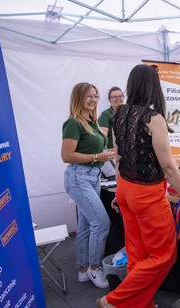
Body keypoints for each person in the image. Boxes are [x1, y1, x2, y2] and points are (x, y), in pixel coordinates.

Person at [98, 64, 180, 308]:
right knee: (164, 255)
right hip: (147, 195)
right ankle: (113, 300)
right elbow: (167, 166)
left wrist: (119, 190)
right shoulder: (153, 118)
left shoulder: (119, 115)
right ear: (154, 86)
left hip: (126, 190)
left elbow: (118, 158)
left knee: (137, 255)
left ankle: (140, 304)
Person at [61, 82, 113, 289]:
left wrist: (103, 157)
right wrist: (96, 156)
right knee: (101, 223)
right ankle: (94, 268)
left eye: (95, 95)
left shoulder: (91, 123)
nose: (93, 99)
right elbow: (66, 156)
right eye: (88, 96)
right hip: (78, 178)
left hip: (93, 177)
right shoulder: (73, 123)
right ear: (78, 98)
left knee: (84, 226)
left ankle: (83, 271)